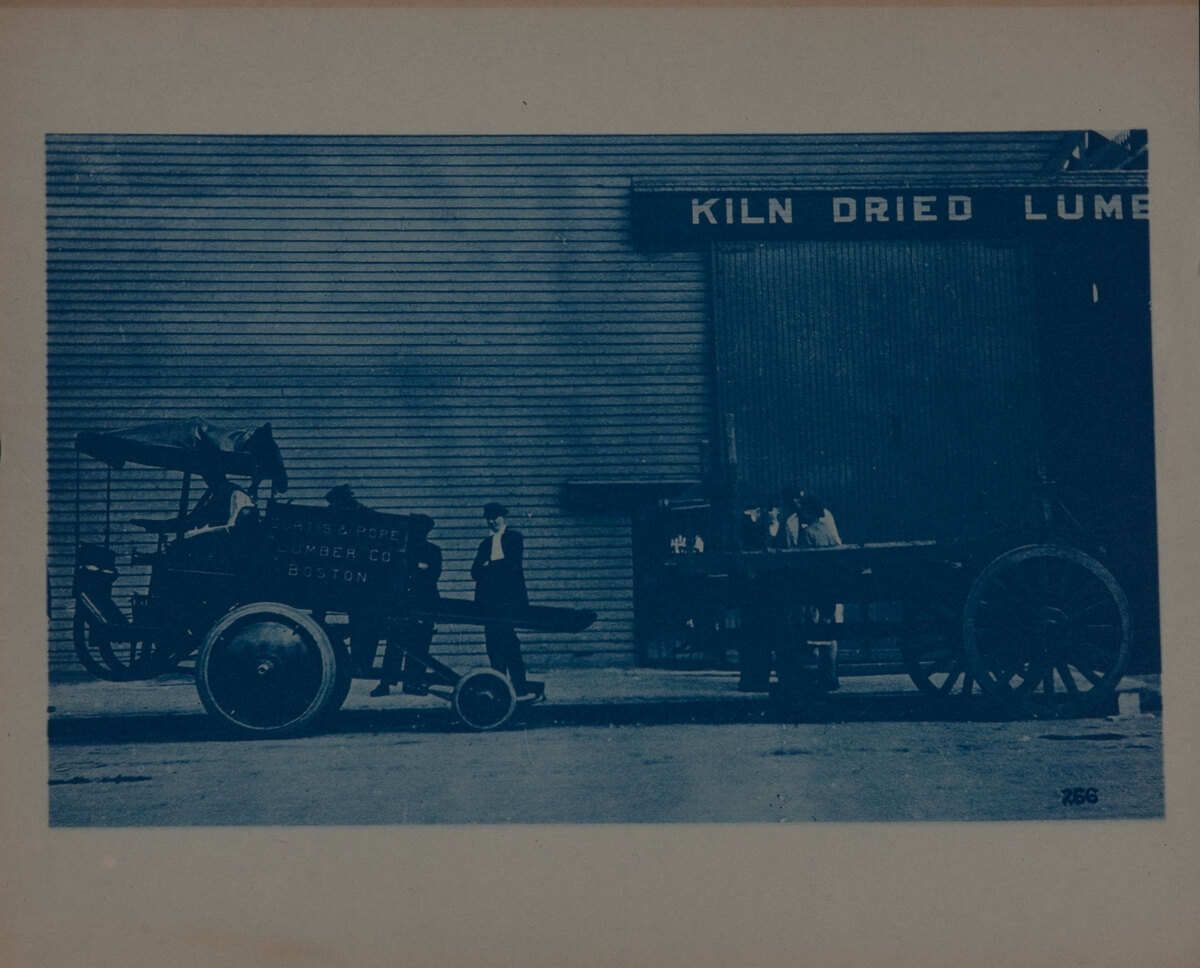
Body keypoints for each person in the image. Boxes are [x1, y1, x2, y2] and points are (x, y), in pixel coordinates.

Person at [471, 501, 543, 700]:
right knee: (493, 644)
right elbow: (474, 572)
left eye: (496, 517)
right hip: (488, 602)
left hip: (508, 601)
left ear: (503, 517)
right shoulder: (485, 544)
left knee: (509, 643)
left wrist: (489, 566)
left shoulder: (513, 538)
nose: (492, 521)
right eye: (489, 518)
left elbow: (512, 566)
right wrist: (491, 568)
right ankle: (500, 687)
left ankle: (520, 687)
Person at [372, 513, 441, 697]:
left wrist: (414, 567)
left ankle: (413, 683)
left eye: (422, 529)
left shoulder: (433, 551)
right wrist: (418, 567)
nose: (418, 533)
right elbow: (392, 575)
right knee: (394, 643)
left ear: (427, 531)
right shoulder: (400, 549)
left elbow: (434, 574)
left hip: (424, 604)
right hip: (401, 603)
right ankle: (385, 683)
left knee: (419, 646)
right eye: (414, 529)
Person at [793, 493, 843, 691]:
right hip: (829, 589)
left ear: (809, 512)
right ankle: (829, 676)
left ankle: (814, 679)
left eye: (802, 511)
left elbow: (804, 566)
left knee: (812, 635)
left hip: (815, 589)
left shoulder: (808, 534)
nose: (800, 515)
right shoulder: (825, 530)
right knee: (828, 634)